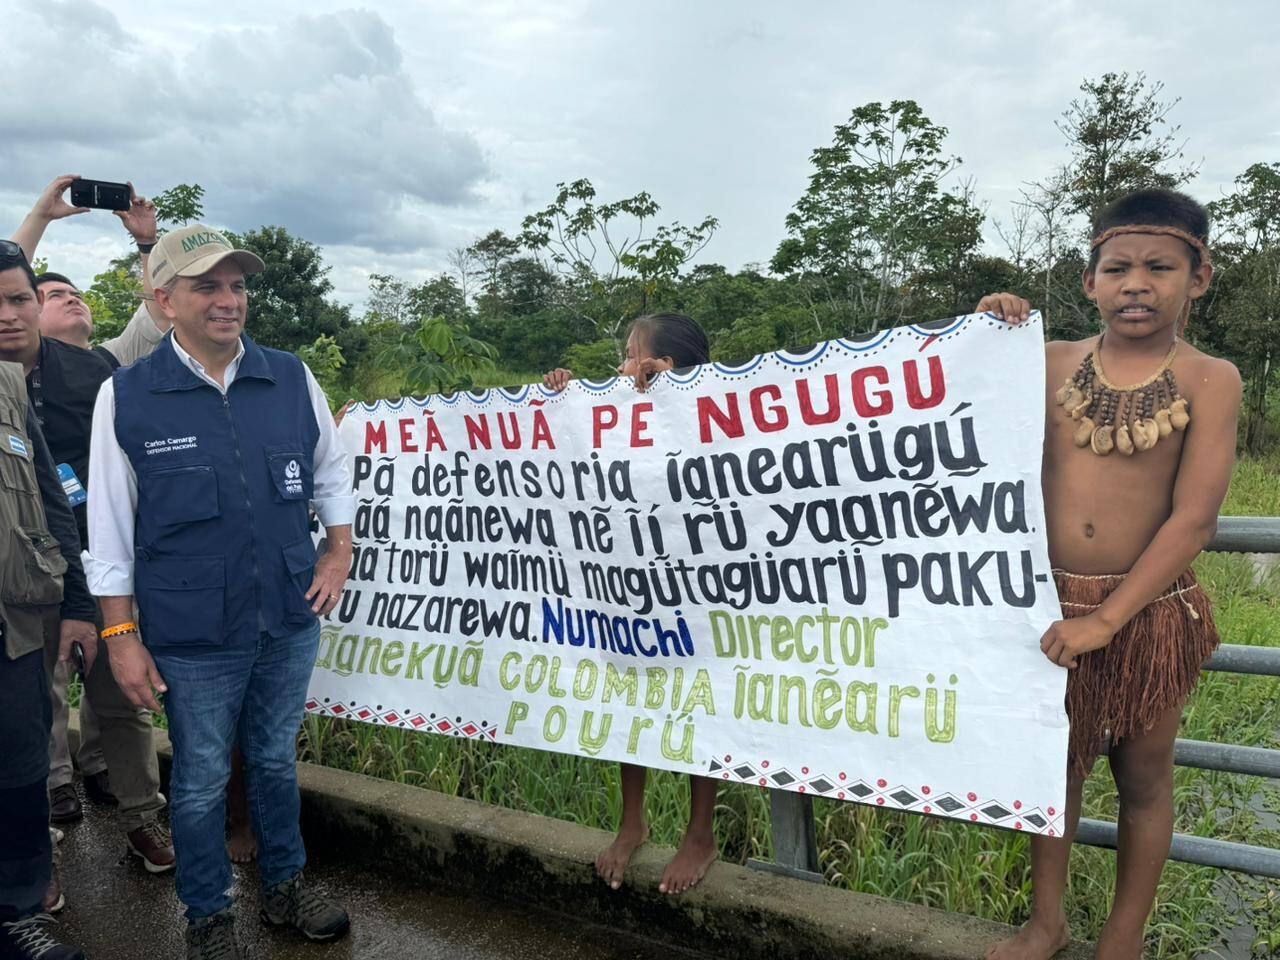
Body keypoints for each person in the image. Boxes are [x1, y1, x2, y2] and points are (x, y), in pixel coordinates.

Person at [978, 189, 1241, 960]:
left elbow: (1194, 518)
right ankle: (1046, 922)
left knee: (1144, 774)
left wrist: (1109, 617)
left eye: (1160, 267)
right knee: (1051, 766)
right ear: (1088, 280)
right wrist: (989, 330)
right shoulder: (1048, 361)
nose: (1136, 283)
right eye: (1117, 267)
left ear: (1199, 278)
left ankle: (1119, 944)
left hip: (1148, 609)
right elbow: (959, 399)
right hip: (1048, 603)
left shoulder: (1209, 378)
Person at [84, 223, 355, 959]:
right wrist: (120, 637)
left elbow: (333, 470)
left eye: (236, 285)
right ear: (163, 299)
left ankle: (285, 887)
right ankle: (208, 913)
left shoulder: (290, 376)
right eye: (207, 286)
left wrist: (337, 550)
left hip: (289, 619)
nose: (229, 299)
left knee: (272, 759)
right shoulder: (129, 396)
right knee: (201, 779)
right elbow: (108, 527)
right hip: (192, 631)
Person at [5, 179, 174, 878]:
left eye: (21, 298)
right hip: (16, 577)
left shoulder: (98, 370)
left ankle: (142, 818)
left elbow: (160, 321)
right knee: (28, 704)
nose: (12, 312)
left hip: (99, 564)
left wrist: (146, 242)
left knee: (122, 697)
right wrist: (41, 216)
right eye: (39, 296)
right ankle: (44, 819)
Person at [544, 312, 721, 896]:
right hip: (628, 581)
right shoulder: (615, 412)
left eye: (633, 353)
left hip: (694, 581)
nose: (622, 364)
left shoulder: (710, 410)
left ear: (666, 365)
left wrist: (669, 392)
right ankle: (633, 820)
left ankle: (700, 833)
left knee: (700, 699)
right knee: (629, 690)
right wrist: (566, 400)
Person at [0, 241, 95, 960]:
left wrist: (77, 607)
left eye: (15, 298)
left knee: (21, 769)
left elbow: (56, 506)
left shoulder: (9, 391)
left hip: (15, 626)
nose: (5, 316)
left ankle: (17, 912)